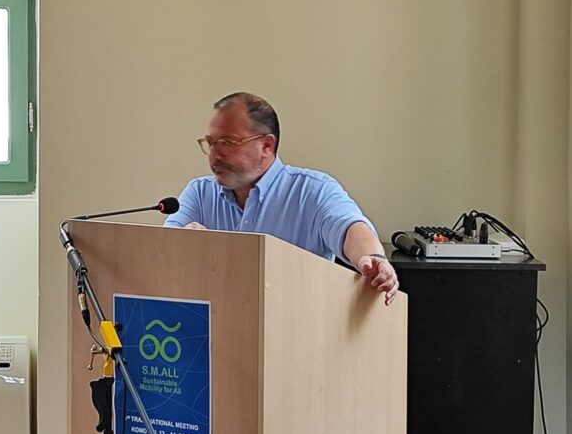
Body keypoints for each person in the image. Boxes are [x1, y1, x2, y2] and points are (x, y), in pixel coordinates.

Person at [165, 92, 399, 305]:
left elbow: (349, 227)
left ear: (267, 145)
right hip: (214, 327)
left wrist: (373, 258)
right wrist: (180, 242)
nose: (215, 155)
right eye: (211, 143)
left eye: (227, 143)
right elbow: (162, 250)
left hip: (296, 326)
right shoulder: (199, 193)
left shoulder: (312, 190)